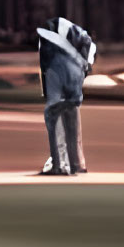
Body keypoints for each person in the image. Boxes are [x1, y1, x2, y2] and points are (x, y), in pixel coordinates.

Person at [35, 17, 94, 176]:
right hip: (73, 73)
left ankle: (61, 164)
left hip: (57, 71)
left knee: (54, 115)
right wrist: (84, 68)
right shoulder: (67, 29)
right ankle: (77, 163)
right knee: (71, 112)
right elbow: (87, 42)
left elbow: (45, 66)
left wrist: (47, 93)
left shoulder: (50, 33)